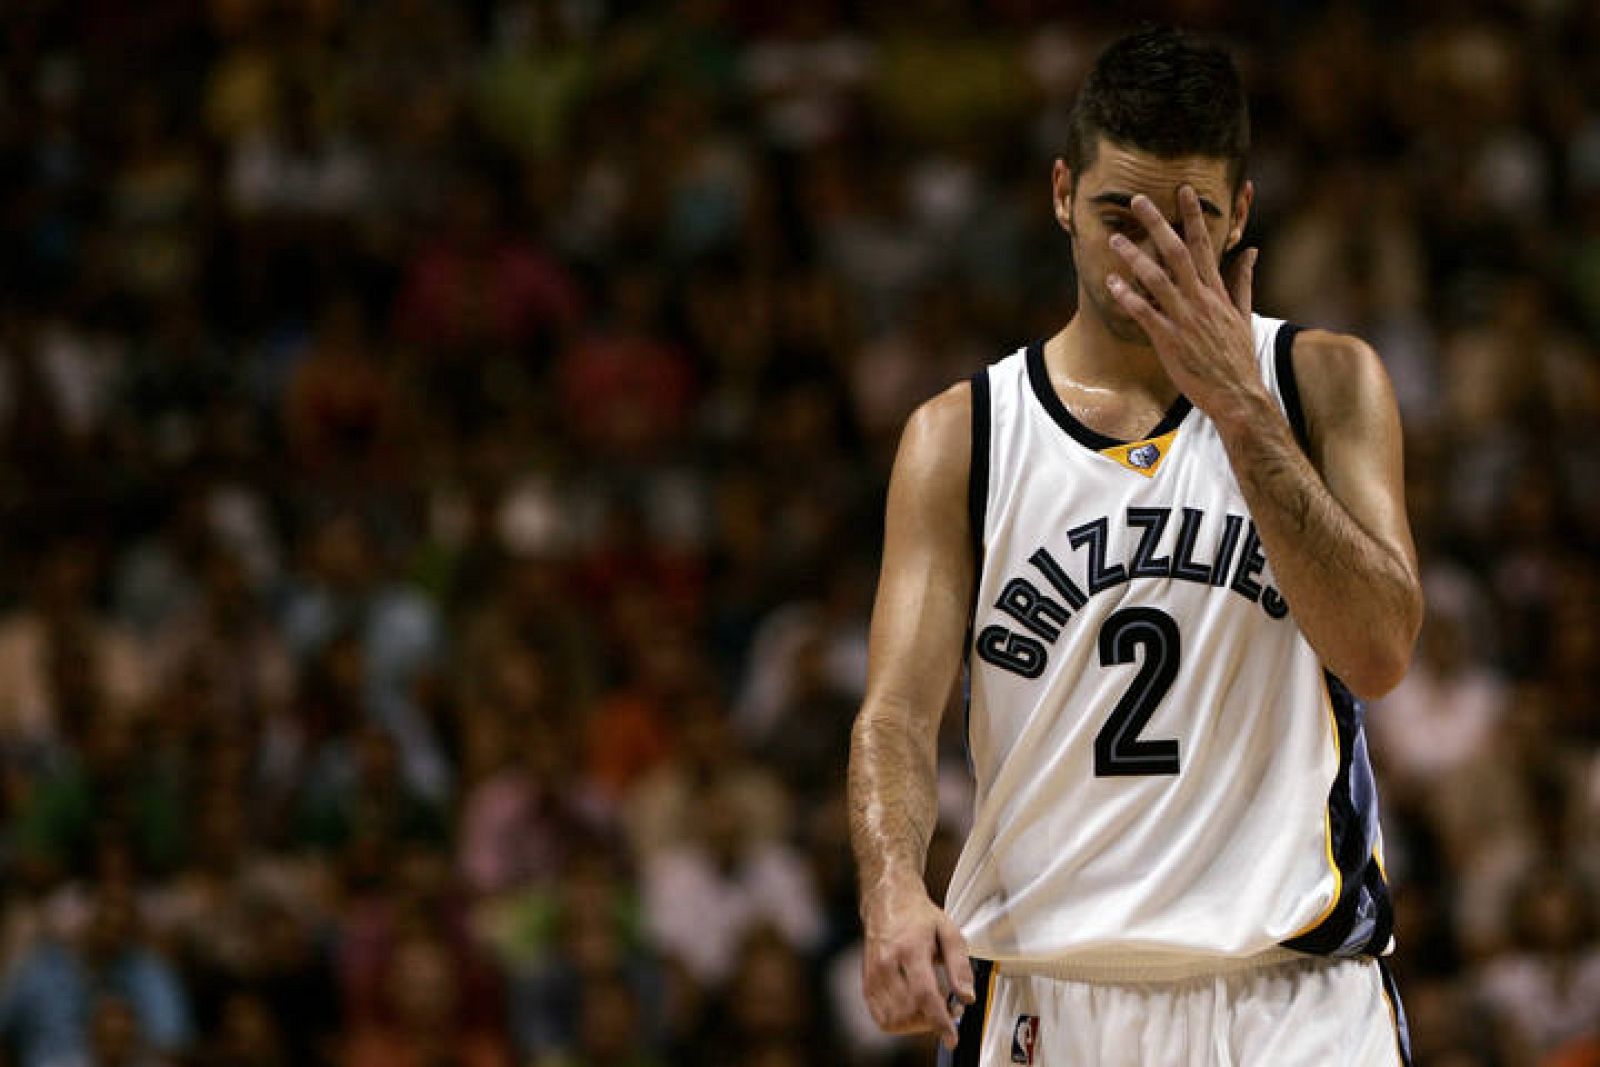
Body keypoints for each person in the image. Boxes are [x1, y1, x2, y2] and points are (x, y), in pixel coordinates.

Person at [847, 27, 1424, 1067]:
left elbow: (1378, 649)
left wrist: (1241, 410)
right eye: (1120, 215)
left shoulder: (1322, 385)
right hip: (1049, 991)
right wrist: (892, 884)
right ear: (1061, 192)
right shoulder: (961, 435)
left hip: (1293, 993)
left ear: (1242, 212)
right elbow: (895, 712)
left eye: (1190, 221)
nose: (1150, 251)